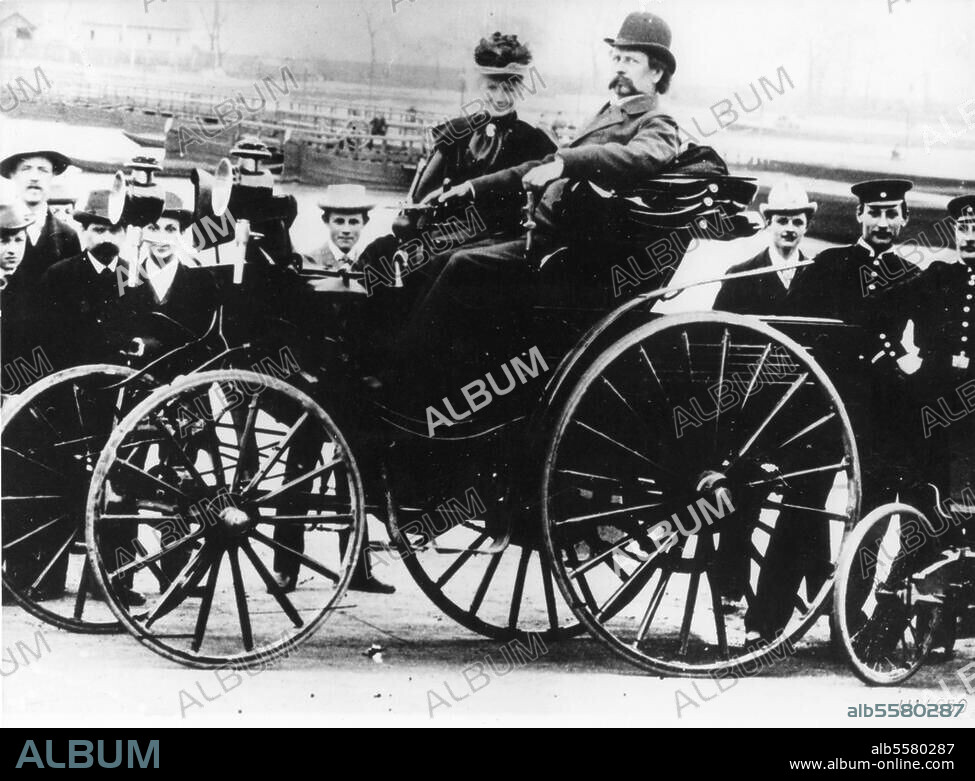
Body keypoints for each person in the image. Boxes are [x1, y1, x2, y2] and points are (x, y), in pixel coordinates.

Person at [396, 10, 682, 401]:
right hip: (546, 238)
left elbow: (639, 159)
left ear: (656, 73)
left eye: (630, 60)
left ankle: (405, 376)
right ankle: (429, 374)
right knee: (442, 257)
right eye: (616, 58)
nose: (618, 68)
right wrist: (473, 189)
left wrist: (569, 161)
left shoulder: (657, 122)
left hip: (569, 254)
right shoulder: (611, 113)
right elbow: (539, 166)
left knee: (462, 265)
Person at [39, 190, 136, 370]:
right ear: (82, 231)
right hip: (70, 378)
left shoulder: (134, 275)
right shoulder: (58, 276)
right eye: (99, 230)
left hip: (123, 380)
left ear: (125, 233)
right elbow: (46, 338)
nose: (107, 238)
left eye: (114, 230)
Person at [714, 181, 817, 314]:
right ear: (768, 223)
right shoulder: (738, 276)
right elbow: (718, 328)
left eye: (797, 222)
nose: (790, 229)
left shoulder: (817, 276)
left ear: (806, 227)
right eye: (782, 221)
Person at [0, 150, 81, 285]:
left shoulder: (68, 235)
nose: (34, 177)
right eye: (26, 169)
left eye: (43, 170)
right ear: (12, 175)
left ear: (53, 176)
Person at [307, 185, 375, 271]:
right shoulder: (311, 262)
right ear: (326, 221)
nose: (346, 230)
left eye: (353, 222)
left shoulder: (371, 264)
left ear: (364, 222)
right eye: (339, 221)